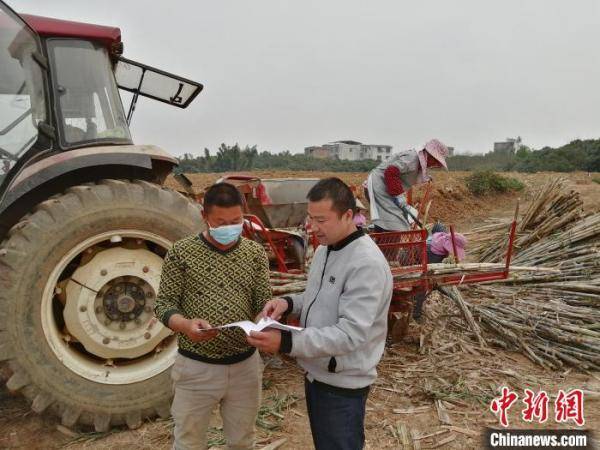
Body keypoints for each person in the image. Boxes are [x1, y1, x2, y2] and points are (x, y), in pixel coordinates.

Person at [246, 178, 393, 450]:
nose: (313, 227)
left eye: (321, 220)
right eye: (311, 218)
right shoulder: (327, 249)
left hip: (343, 386)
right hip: (317, 374)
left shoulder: (366, 264)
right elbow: (319, 298)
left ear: (348, 215)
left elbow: (349, 335)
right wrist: (288, 303)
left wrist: (286, 343)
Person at [154, 182, 272, 450]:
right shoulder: (181, 253)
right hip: (196, 368)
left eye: (236, 221)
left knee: (242, 441)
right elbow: (163, 304)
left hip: (245, 368)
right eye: (220, 222)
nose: (229, 227)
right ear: (204, 217)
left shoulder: (254, 254)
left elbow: (262, 302)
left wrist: (261, 324)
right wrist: (186, 326)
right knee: (189, 442)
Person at [366, 139, 449, 232]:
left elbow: (407, 172)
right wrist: (398, 195)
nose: (435, 164)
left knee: (391, 222)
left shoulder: (416, 160)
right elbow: (391, 172)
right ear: (430, 155)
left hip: (386, 188)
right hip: (379, 186)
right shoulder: (412, 158)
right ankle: (386, 245)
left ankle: (382, 244)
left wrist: (426, 178)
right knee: (395, 225)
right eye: (436, 161)